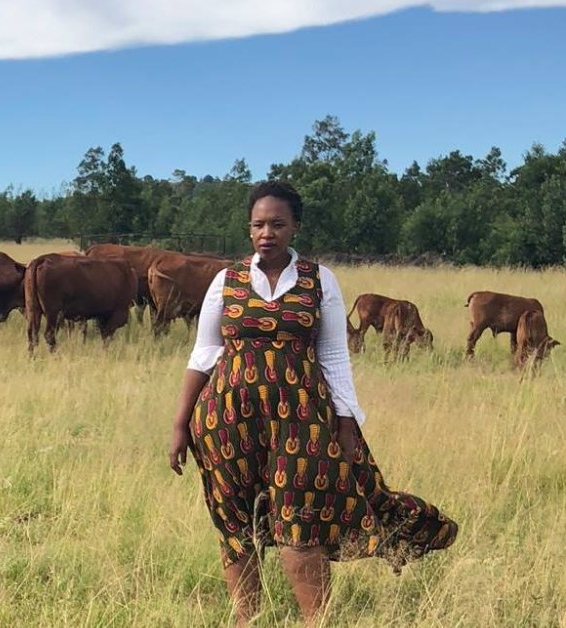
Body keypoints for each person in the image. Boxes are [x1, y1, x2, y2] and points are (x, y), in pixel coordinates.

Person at [167, 181, 457, 626]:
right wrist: (179, 425)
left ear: (294, 227)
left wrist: (345, 420)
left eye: (277, 224)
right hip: (227, 420)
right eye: (259, 224)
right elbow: (203, 355)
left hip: (301, 419)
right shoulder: (227, 280)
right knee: (237, 523)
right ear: (249, 229)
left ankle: (314, 621)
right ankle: (247, 618)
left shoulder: (319, 280)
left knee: (301, 521)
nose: (267, 232)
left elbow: (335, 355)